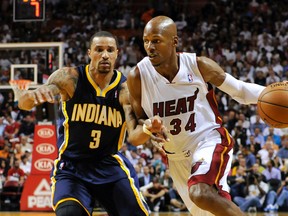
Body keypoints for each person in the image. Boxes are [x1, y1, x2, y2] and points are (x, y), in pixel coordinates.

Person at [126, 15, 269, 216]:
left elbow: (240, 90)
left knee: (200, 192)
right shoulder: (138, 76)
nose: (150, 46)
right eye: (146, 41)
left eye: (156, 41)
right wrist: (149, 127)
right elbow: (139, 123)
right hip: (175, 158)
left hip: (207, 140)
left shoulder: (198, 65)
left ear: (174, 41)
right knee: (207, 207)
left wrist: (269, 93)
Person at [17, 31, 149, 216]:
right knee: (70, 213)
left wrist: (149, 128)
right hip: (72, 167)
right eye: (99, 49)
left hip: (108, 165)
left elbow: (135, 138)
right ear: (89, 53)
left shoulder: (125, 89)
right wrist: (31, 97)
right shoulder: (70, 78)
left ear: (117, 53)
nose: (105, 55)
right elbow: (25, 103)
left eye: (110, 50)